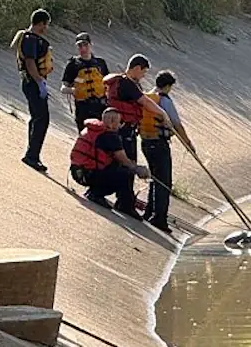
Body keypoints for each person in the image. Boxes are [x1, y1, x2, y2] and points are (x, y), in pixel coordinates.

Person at [104, 54, 172, 211]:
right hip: (124, 131)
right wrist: (163, 114)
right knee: (129, 165)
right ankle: (125, 203)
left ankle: (124, 200)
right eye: (143, 72)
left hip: (122, 129)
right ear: (136, 69)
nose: (143, 76)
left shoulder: (122, 82)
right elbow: (145, 102)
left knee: (123, 164)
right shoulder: (127, 84)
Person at [139, 70, 197, 235]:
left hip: (146, 141)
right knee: (164, 182)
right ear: (169, 86)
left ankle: (150, 212)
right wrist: (188, 144)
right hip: (159, 144)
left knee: (155, 178)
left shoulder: (147, 97)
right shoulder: (164, 100)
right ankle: (159, 219)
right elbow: (177, 124)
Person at [69, 108, 150, 216]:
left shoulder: (93, 129)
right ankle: (100, 195)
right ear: (112, 122)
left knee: (115, 165)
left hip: (77, 172)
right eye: (119, 122)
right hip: (87, 174)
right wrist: (139, 169)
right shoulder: (110, 136)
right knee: (125, 173)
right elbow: (124, 160)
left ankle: (96, 191)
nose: (120, 125)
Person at [10, 9, 54, 172]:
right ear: (41, 23)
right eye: (46, 25)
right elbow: (30, 62)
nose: (46, 28)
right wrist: (39, 81)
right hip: (32, 82)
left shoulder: (32, 39)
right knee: (42, 118)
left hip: (32, 82)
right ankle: (32, 156)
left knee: (37, 117)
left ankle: (32, 154)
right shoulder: (30, 39)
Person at [60, 32, 110, 133]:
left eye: (85, 45)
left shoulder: (100, 63)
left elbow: (109, 84)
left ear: (91, 45)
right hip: (83, 108)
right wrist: (73, 90)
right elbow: (63, 88)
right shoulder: (72, 65)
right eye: (79, 46)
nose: (83, 48)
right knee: (85, 139)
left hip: (101, 107)